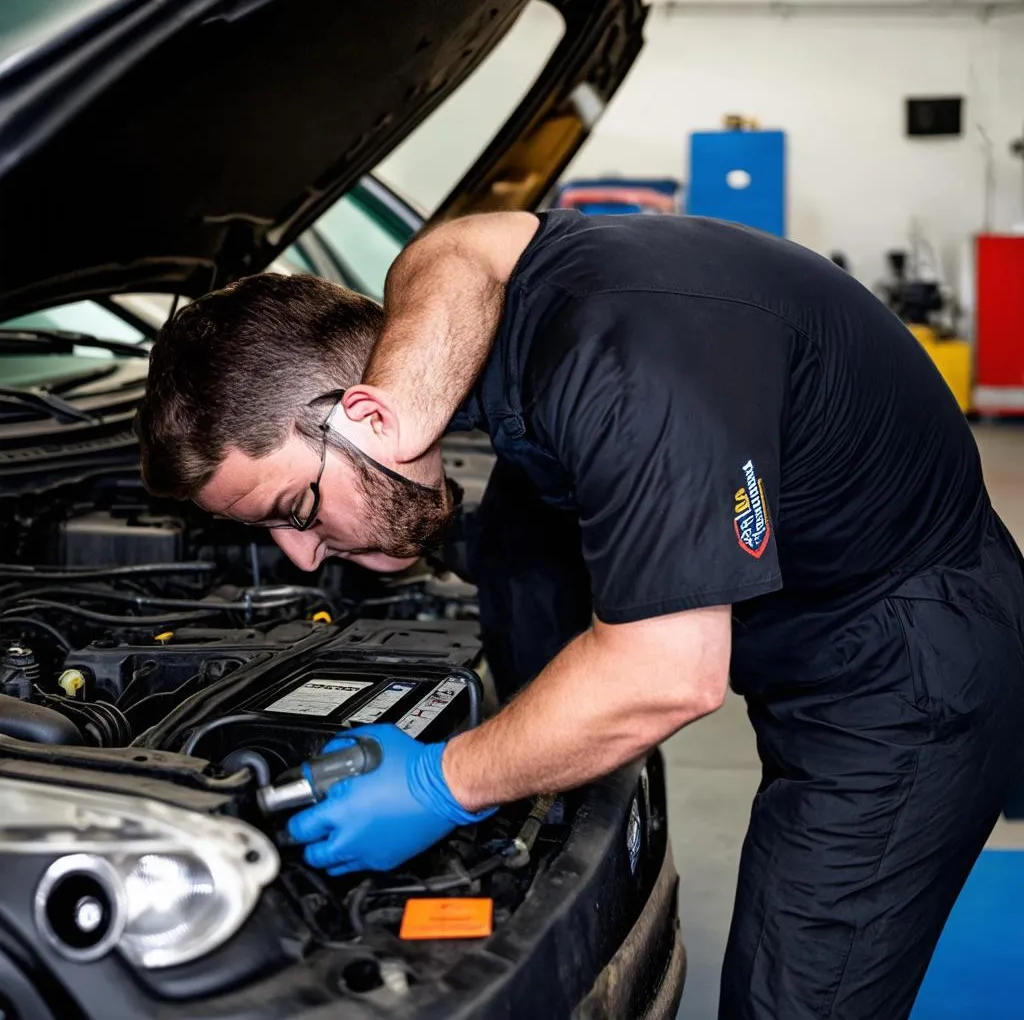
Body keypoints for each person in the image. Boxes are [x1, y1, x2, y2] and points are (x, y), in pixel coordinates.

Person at [135, 209, 1024, 1020]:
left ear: (364, 412)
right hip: (812, 613)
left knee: (795, 993)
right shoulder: (459, 320)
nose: (300, 555)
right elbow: (453, 249)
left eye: (294, 511)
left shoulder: (631, 374)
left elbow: (667, 677)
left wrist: (439, 781)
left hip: (903, 669)